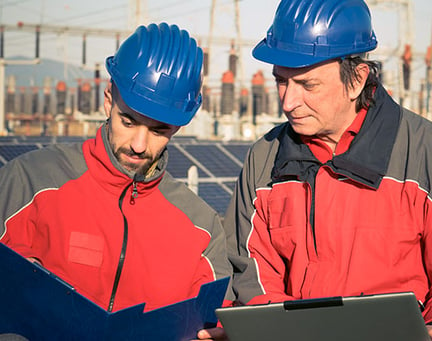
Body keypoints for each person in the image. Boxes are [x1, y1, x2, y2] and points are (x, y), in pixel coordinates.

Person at [0, 23, 232, 340]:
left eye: (158, 130)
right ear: (109, 99)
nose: (139, 144)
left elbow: (216, 322)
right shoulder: (28, 184)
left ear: (179, 126)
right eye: (129, 120)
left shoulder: (202, 229)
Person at [223, 0, 432, 336]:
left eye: (308, 85)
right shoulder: (263, 159)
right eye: (281, 81)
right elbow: (251, 280)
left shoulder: (422, 153)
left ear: (357, 80)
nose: (288, 102)